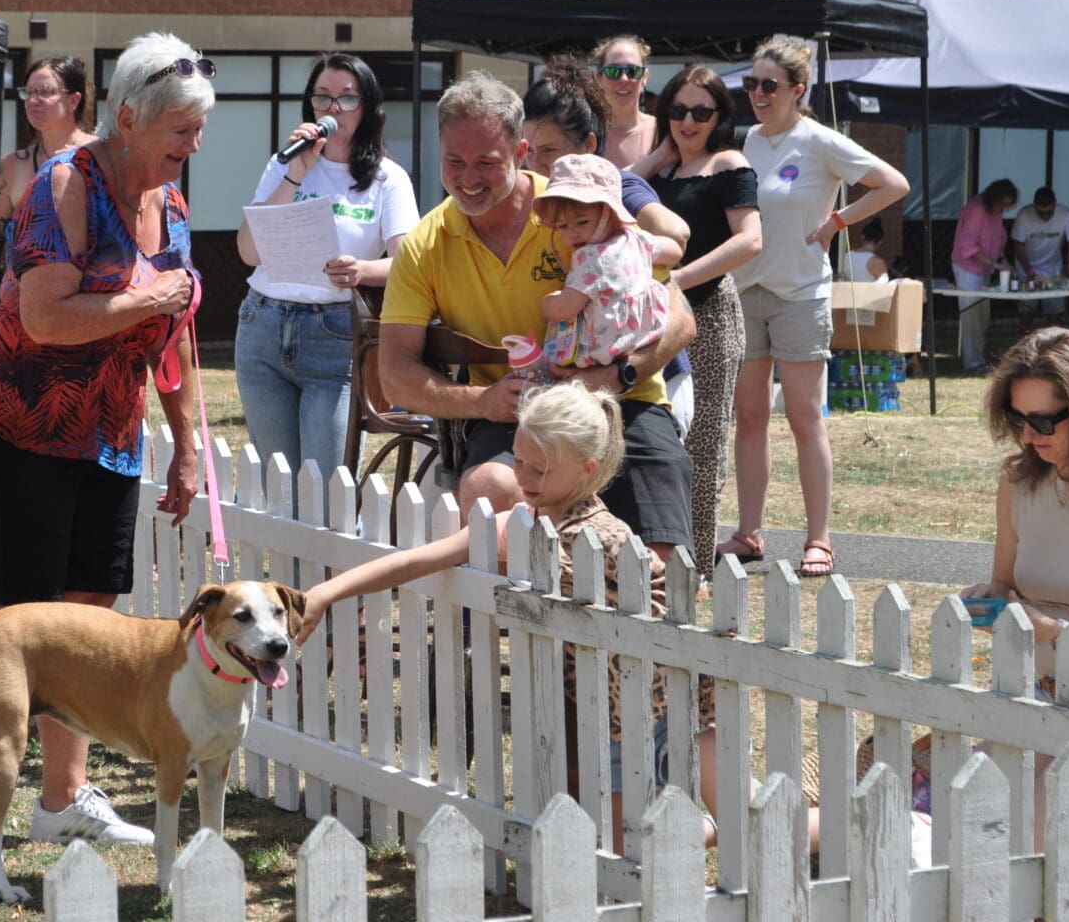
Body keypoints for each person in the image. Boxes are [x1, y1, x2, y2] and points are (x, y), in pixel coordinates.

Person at [0, 31, 211, 853]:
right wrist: (149, 297)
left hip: (111, 430)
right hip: (26, 425)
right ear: (127, 119)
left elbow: (178, 337)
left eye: (199, 132)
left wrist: (187, 443)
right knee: (15, 629)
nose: (192, 147)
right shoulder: (64, 185)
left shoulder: (170, 203)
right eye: (180, 131)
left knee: (91, 619)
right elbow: (43, 316)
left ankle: (62, 798)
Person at [296, 381, 715, 851]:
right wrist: (326, 593)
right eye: (518, 461)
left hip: (678, 708)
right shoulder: (515, 525)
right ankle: (701, 831)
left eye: (539, 469)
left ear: (587, 469)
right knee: (628, 845)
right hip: (611, 723)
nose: (524, 478)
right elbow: (416, 561)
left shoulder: (607, 538)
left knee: (746, 815)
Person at [379, 71, 696, 563]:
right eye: (453, 161)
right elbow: (394, 376)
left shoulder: (579, 208)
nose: (468, 177)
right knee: (490, 487)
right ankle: (521, 630)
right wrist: (483, 400)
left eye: (487, 162)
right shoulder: (424, 244)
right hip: (514, 415)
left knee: (661, 559)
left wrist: (616, 375)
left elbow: (680, 316)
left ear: (521, 153)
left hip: (618, 402)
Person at [722, 38, 909, 578]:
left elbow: (893, 184)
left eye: (768, 85)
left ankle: (819, 540)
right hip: (744, 293)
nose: (756, 94)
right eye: (750, 84)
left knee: (806, 418)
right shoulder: (743, 143)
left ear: (797, 90)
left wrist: (837, 222)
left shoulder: (820, 140)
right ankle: (748, 533)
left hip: (801, 295)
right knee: (750, 419)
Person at [959, 327, 1069, 846]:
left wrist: (1056, 629)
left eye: (1042, 421)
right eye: (1017, 418)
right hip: (1038, 697)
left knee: (1034, 830)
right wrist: (986, 603)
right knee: (968, 814)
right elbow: (1006, 583)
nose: (1028, 435)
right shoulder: (1018, 482)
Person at [234, 53, 418, 506]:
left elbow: (407, 263)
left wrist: (361, 271)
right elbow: (249, 251)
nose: (332, 109)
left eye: (346, 98)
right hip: (263, 323)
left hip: (332, 332)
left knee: (326, 487)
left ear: (368, 107)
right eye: (322, 97)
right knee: (279, 488)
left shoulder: (387, 179)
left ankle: (326, 578)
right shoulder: (287, 164)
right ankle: (286, 577)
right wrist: (295, 174)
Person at [630, 65, 761, 579]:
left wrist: (681, 278)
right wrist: (662, 153)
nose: (689, 120)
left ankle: (698, 566)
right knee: (661, 434)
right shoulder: (659, 172)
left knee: (702, 443)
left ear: (719, 116)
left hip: (708, 313)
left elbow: (750, 240)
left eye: (701, 112)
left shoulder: (729, 163)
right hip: (658, 317)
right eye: (678, 110)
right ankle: (659, 557)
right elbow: (618, 192)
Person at [522, 54, 695, 436]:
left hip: (652, 374)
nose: (536, 164)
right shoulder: (543, 198)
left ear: (587, 144)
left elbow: (678, 234)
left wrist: (627, 235)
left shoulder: (616, 188)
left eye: (549, 151)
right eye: (529, 151)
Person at [535, 153, 674, 369]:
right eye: (562, 226)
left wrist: (548, 302)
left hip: (599, 355)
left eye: (582, 222)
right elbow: (673, 251)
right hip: (641, 340)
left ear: (608, 213)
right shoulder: (636, 238)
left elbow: (563, 309)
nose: (572, 234)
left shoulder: (590, 258)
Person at [0, 54, 96, 286]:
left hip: (91, 297)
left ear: (73, 100)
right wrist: (28, 247)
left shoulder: (100, 155)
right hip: (27, 300)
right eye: (28, 92)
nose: (33, 100)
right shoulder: (13, 165)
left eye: (45, 92)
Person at [950, 179, 1018, 370]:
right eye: (1003, 203)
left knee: (982, 315)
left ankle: (976, 357)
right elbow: (968, 247)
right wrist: (996, 264)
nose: (1004, 208)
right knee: (971, 313)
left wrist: (1002, 260)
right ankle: (972, 362)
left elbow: (999, 239)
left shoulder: (996, 212)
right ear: (994, 198)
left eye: (1008, 205)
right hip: (968, 269)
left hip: (985, 268)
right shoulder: (976, 210)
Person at [1011, 186, 1069, 325]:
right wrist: (1029, 270)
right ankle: (1026, 346)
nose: (1046, 216)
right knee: (1026, 313)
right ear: (1034, 204)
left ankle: (1055, 346)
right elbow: (1018, 246)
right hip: (1026, 268)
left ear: (1055, 204)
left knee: (1055, 315)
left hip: (1053, 269)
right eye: (1041, 213)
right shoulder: (1024, 215)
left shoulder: (1066, 215)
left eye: (1049, 212)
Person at [591, 35, 657, 169]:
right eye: (613, 71)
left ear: (644, 78)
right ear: (599, 79)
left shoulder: (662, 131)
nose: (624, 79)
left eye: (633, 71)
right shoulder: (583, 133)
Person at [842, 217, 891, 283]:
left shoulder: (846, 256)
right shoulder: (877, 262)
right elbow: (884, 287)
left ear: (862, 237)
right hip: (867, 293)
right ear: (880, 241)